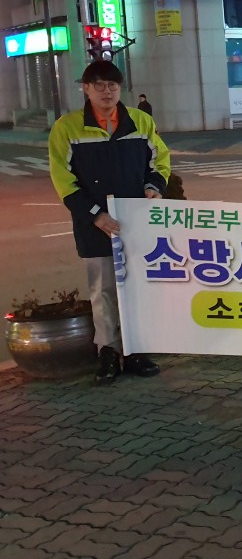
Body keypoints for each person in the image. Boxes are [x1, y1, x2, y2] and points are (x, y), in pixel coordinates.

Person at [48, 61, 170, 386]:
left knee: (137, 287)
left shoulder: (140, 121)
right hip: (95, 225)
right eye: (99, 85)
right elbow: (63, 180)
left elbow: (160, 159)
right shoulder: (67, 128)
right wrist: (94, 214)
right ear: (86, 89)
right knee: (102, 290)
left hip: (136, 221)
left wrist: (154, 187)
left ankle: (136, 350)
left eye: (113, 85)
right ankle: (108, 352)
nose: (107, 91)